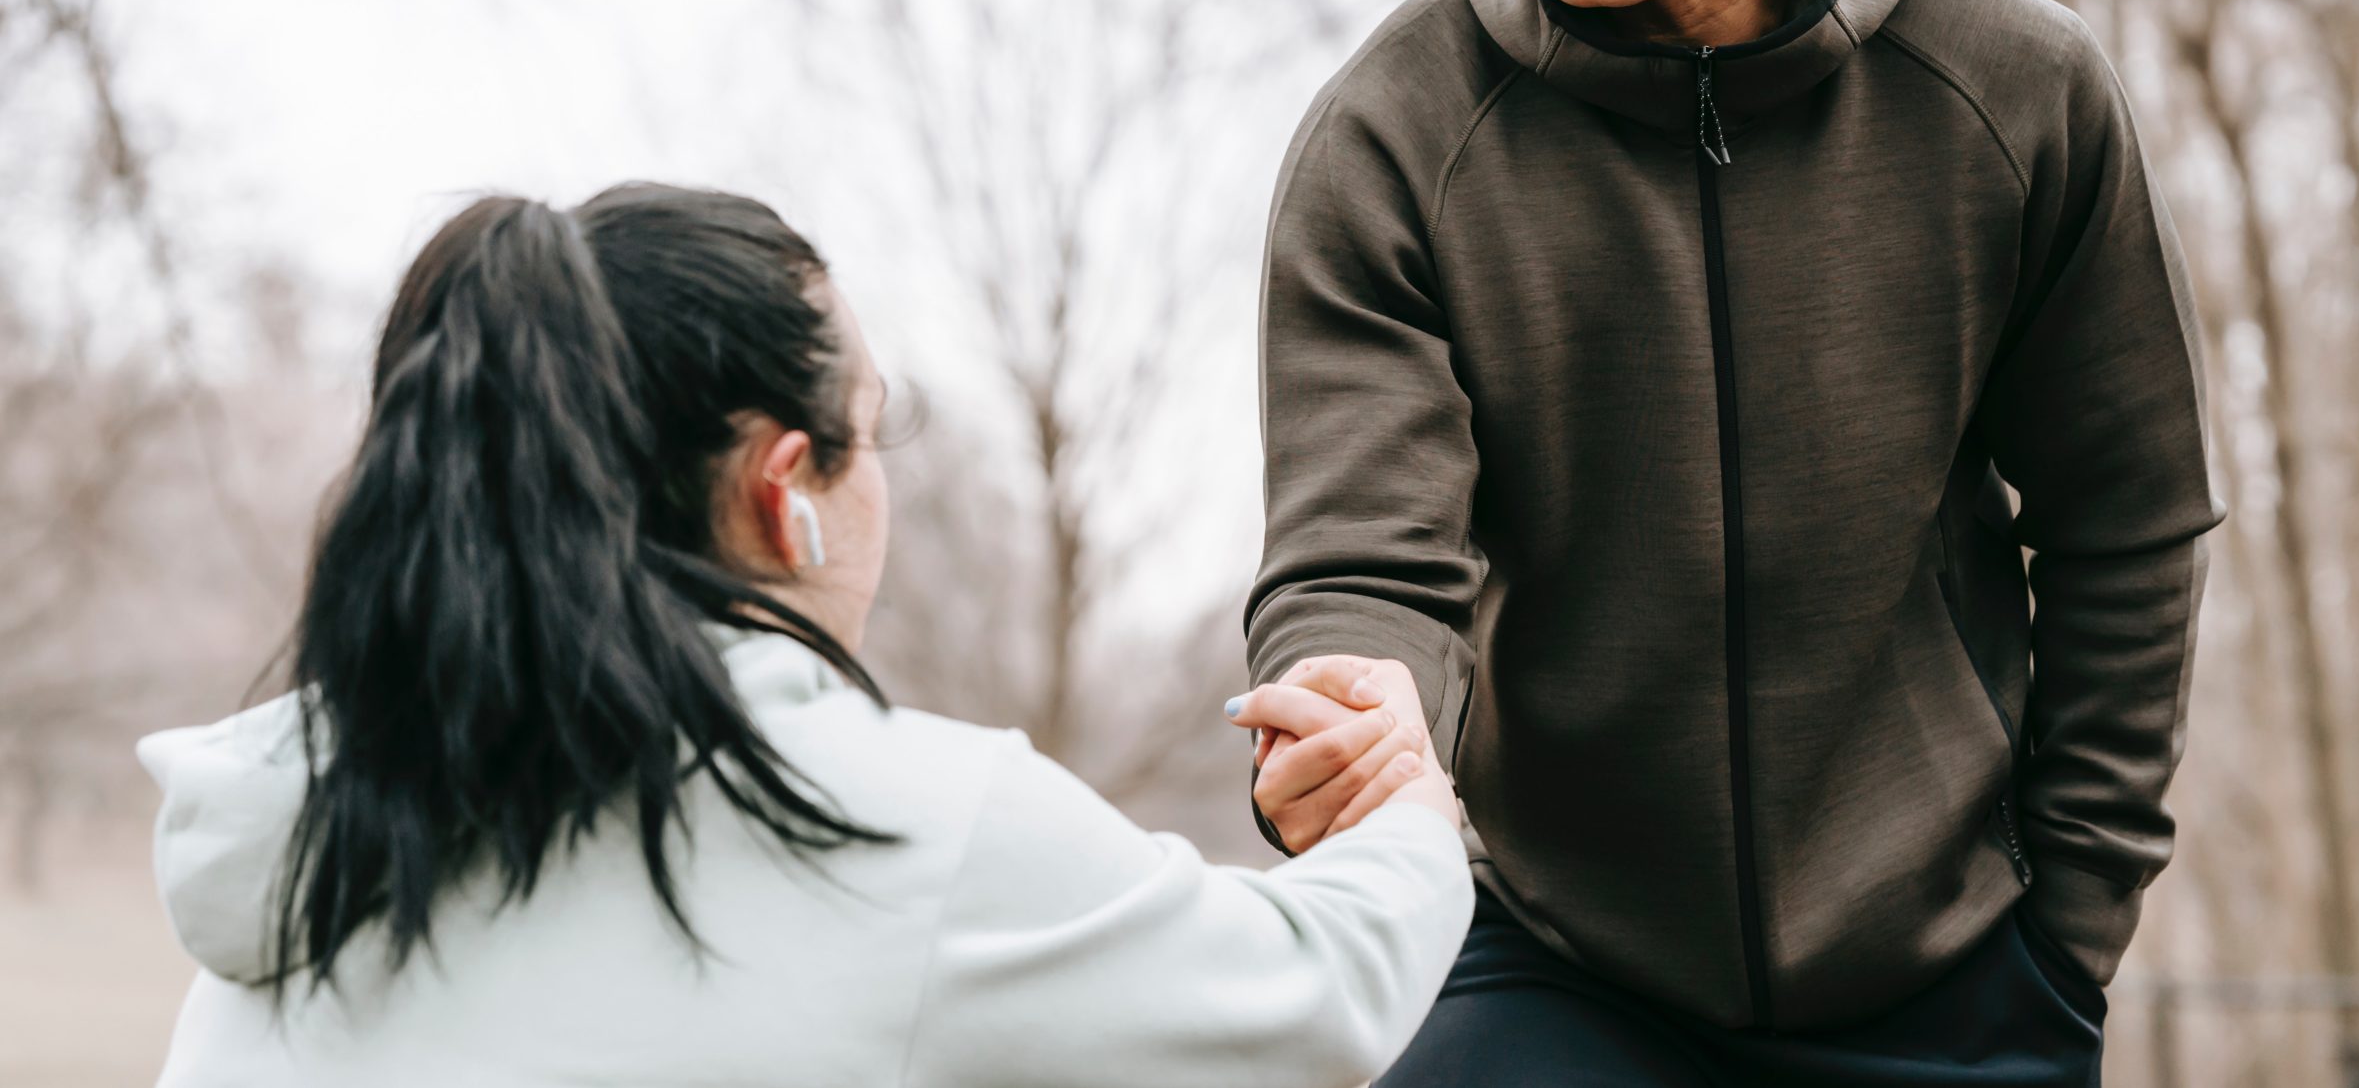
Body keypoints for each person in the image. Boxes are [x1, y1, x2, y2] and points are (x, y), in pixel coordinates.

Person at [1241, 0, 2220, 1086]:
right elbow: (1363, 554)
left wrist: (2070, 933)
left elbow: (2129, 524)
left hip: (1960, 974)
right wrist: (1351, 713)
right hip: (1559, 963)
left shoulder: (2018, 90)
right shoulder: (1396, 136)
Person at [140, 185, 1471, 1088]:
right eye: (873, 431)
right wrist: (1407, 803)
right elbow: (1321, 1000)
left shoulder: (295, 817)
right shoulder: (897, 827)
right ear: (788, 494)